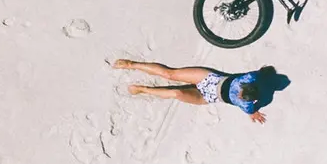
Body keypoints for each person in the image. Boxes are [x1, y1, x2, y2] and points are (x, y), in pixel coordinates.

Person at [116, 59, 287, 122]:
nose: (238, 96)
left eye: (241, 98)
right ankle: (131, 64)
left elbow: (251, 111)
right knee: (171, 74)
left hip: (208, 96)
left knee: (177, 93)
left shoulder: (247, 104)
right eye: (240, 92)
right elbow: (262, 72)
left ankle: (142, 89)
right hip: (210, 79)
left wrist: (253, 114)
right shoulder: (249, 78)